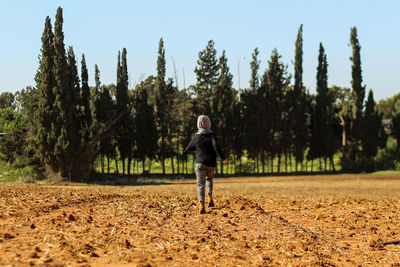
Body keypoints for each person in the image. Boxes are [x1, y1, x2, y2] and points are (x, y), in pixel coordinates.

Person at [186, 115, 226, 214]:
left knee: (200, 184)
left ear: (198, 124)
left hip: (200, 163)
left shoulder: (197, 136)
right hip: (211, 163)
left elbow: (188, 148)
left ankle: (201, 205)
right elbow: (216, 146)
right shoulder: (212, 135)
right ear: (209, 123)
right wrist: (222, 158)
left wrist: (199, 147)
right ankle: (210, 197)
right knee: (209, 179)